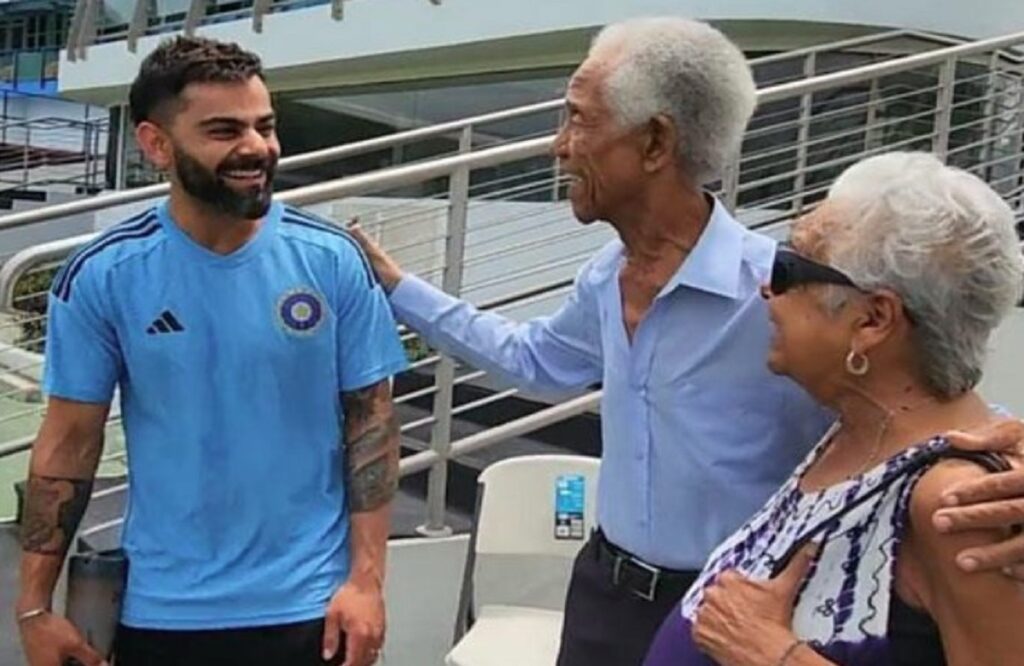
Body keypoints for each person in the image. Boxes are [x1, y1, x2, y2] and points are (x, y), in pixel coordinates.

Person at [347, 17, 1024, 666]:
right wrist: (399, 285)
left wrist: (1008, 457)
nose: (557, 144)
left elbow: (914, 405)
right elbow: (536, 360)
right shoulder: (606, 279)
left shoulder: (791, 296)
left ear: (654, 144)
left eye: (578, 118)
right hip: (605, 595)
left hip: (744, 610)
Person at [14, 36, 407, 666]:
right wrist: (34, 606)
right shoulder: (105, 274)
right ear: (156, 144)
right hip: (162, 609)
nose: (256, 147)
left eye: (265, 126)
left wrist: (367, 582)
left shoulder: (331, 261)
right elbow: (69, 443)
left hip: (311, 605)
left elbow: (373, 424)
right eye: (224, 130)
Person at [643, 151, 1024, 665]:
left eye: (789, 266)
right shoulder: (860, 430)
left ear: (873, 320)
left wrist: (772, 653)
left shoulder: (962, 506)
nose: (765, 289)